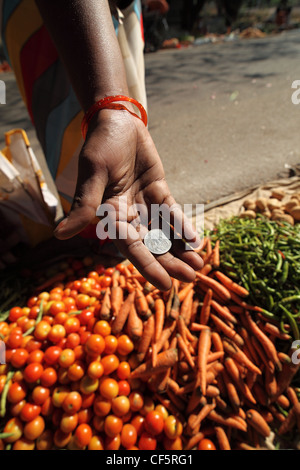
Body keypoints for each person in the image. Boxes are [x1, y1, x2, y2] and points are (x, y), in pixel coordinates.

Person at [0, 0, 203, 291]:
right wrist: (110, 112)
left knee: (116, 110)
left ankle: (97, 237)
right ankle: (94, 237)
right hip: (47, 16)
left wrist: (112, 111)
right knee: (68, 133)